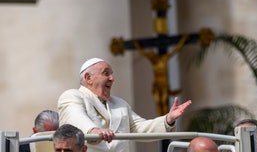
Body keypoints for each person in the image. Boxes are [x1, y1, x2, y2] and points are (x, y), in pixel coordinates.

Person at [57, 57, 192, 152]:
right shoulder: (72, 96)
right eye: (106, 73)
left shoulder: (120, 104)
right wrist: (94, 131)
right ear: (88, 78)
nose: (112, 78)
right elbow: (76, 117)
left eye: (112, 74)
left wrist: (168, 119)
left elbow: (141, 129)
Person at [133, 35, 189, 115]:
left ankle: (166, 118)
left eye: (151, 53)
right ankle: (161, 119)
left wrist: (182, 41)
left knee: (163, 102)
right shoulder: (153, 60)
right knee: (158, 102)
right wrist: (137, 45)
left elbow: (175, 50)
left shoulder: (164, 58)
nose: (150, 54)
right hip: (157, 85)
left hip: (164, 85)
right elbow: (143, 53)